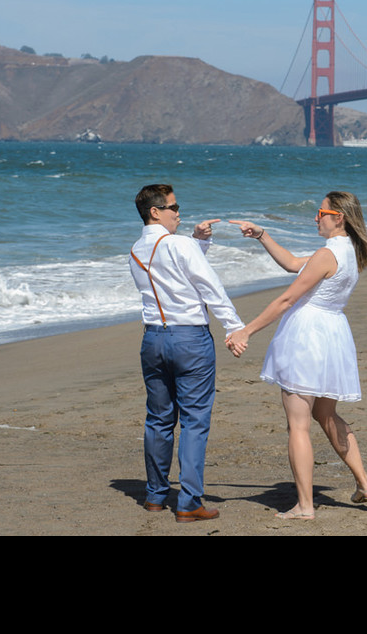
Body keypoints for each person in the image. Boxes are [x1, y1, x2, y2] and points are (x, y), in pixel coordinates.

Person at [226, 191, 367, 520]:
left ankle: (305, 506)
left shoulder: (328, 253)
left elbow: (285, 300)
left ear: (339, 217)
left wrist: (246, 331)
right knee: (326, 415)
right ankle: (365, 484)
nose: (315, 217)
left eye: (321, 212)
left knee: (298, 425)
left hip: (307, 338)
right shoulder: (348, 250)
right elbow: (294, 265)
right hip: (332, 336)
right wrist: (263, 235)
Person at [129, 183, 244, 523]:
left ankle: (155, 495)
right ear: (155, 212)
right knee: (194, 421)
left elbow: (177, 272)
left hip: (153, 339)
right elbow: (208, 284)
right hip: (190, 338)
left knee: (159, 419)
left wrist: (200, 241)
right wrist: (233, 326)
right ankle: (189, 502)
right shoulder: (178, 244)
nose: (178, 213)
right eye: (173, 208)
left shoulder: (136, 248)